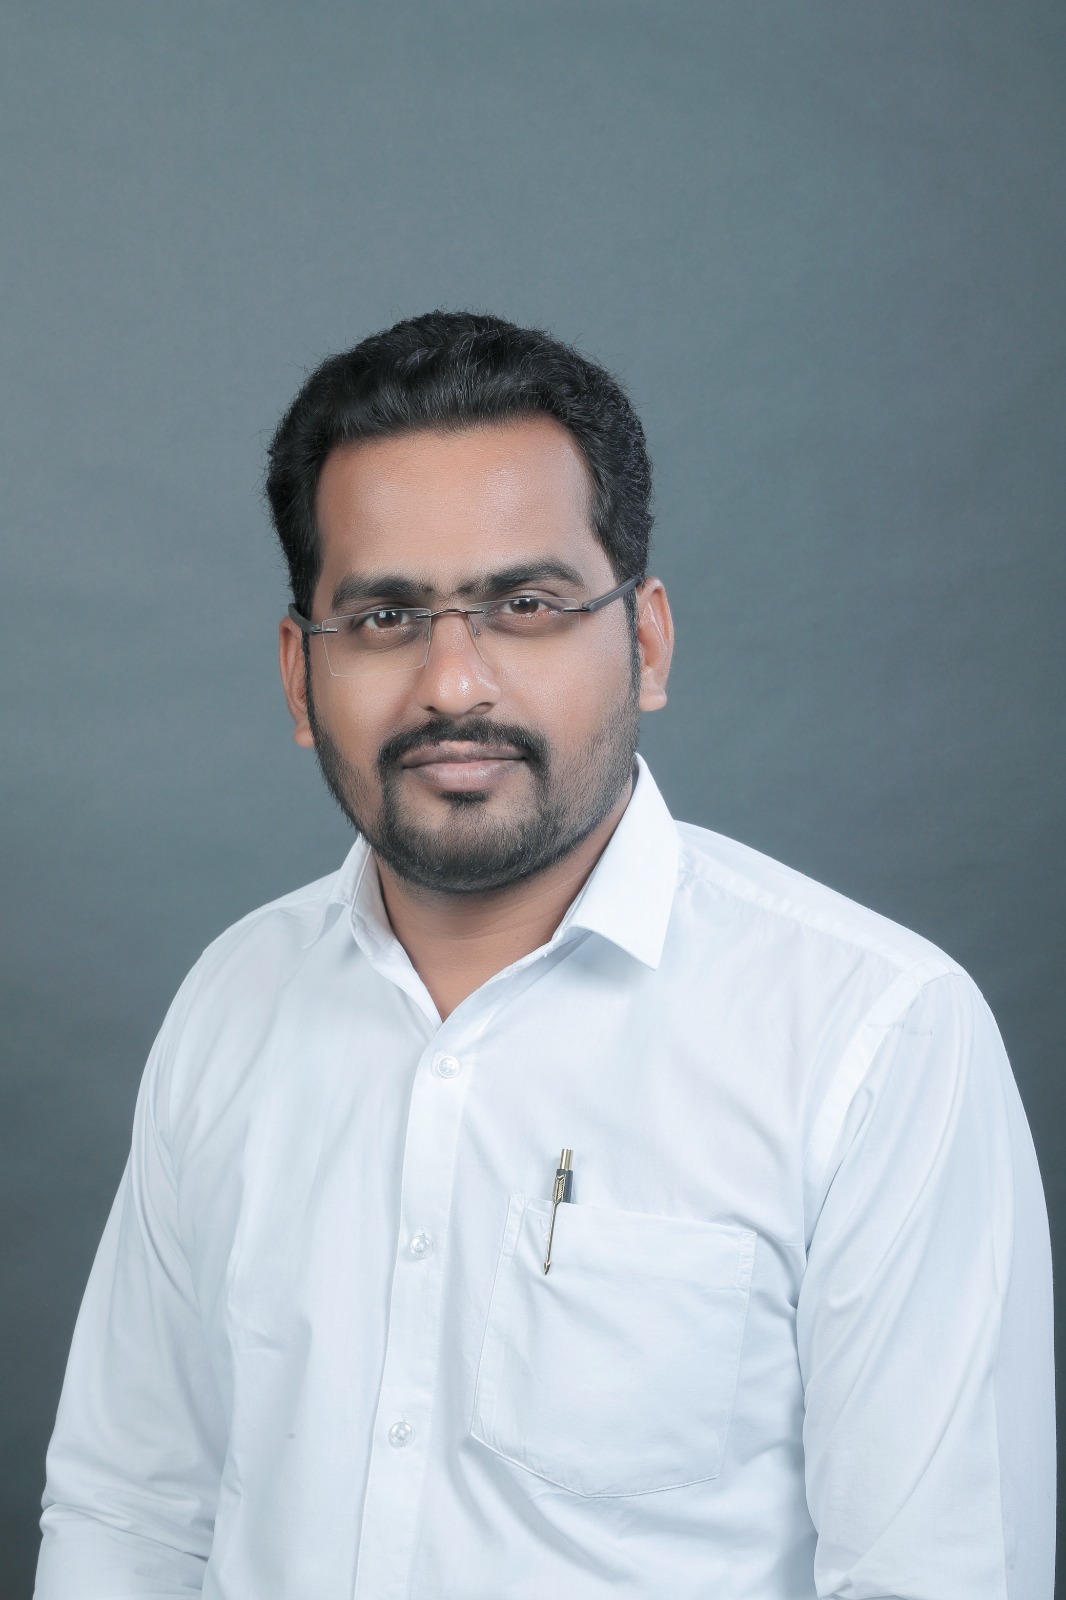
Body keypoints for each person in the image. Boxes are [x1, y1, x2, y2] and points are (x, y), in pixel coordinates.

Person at [35, 311, 1054, 1600]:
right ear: (299, 675)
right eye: (386, 615)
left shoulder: (876, 1037)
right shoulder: (233, 1002)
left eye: (525, 605)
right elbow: (131, 1513)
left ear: (648, 641)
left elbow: (939, 1575)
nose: (454, 684)